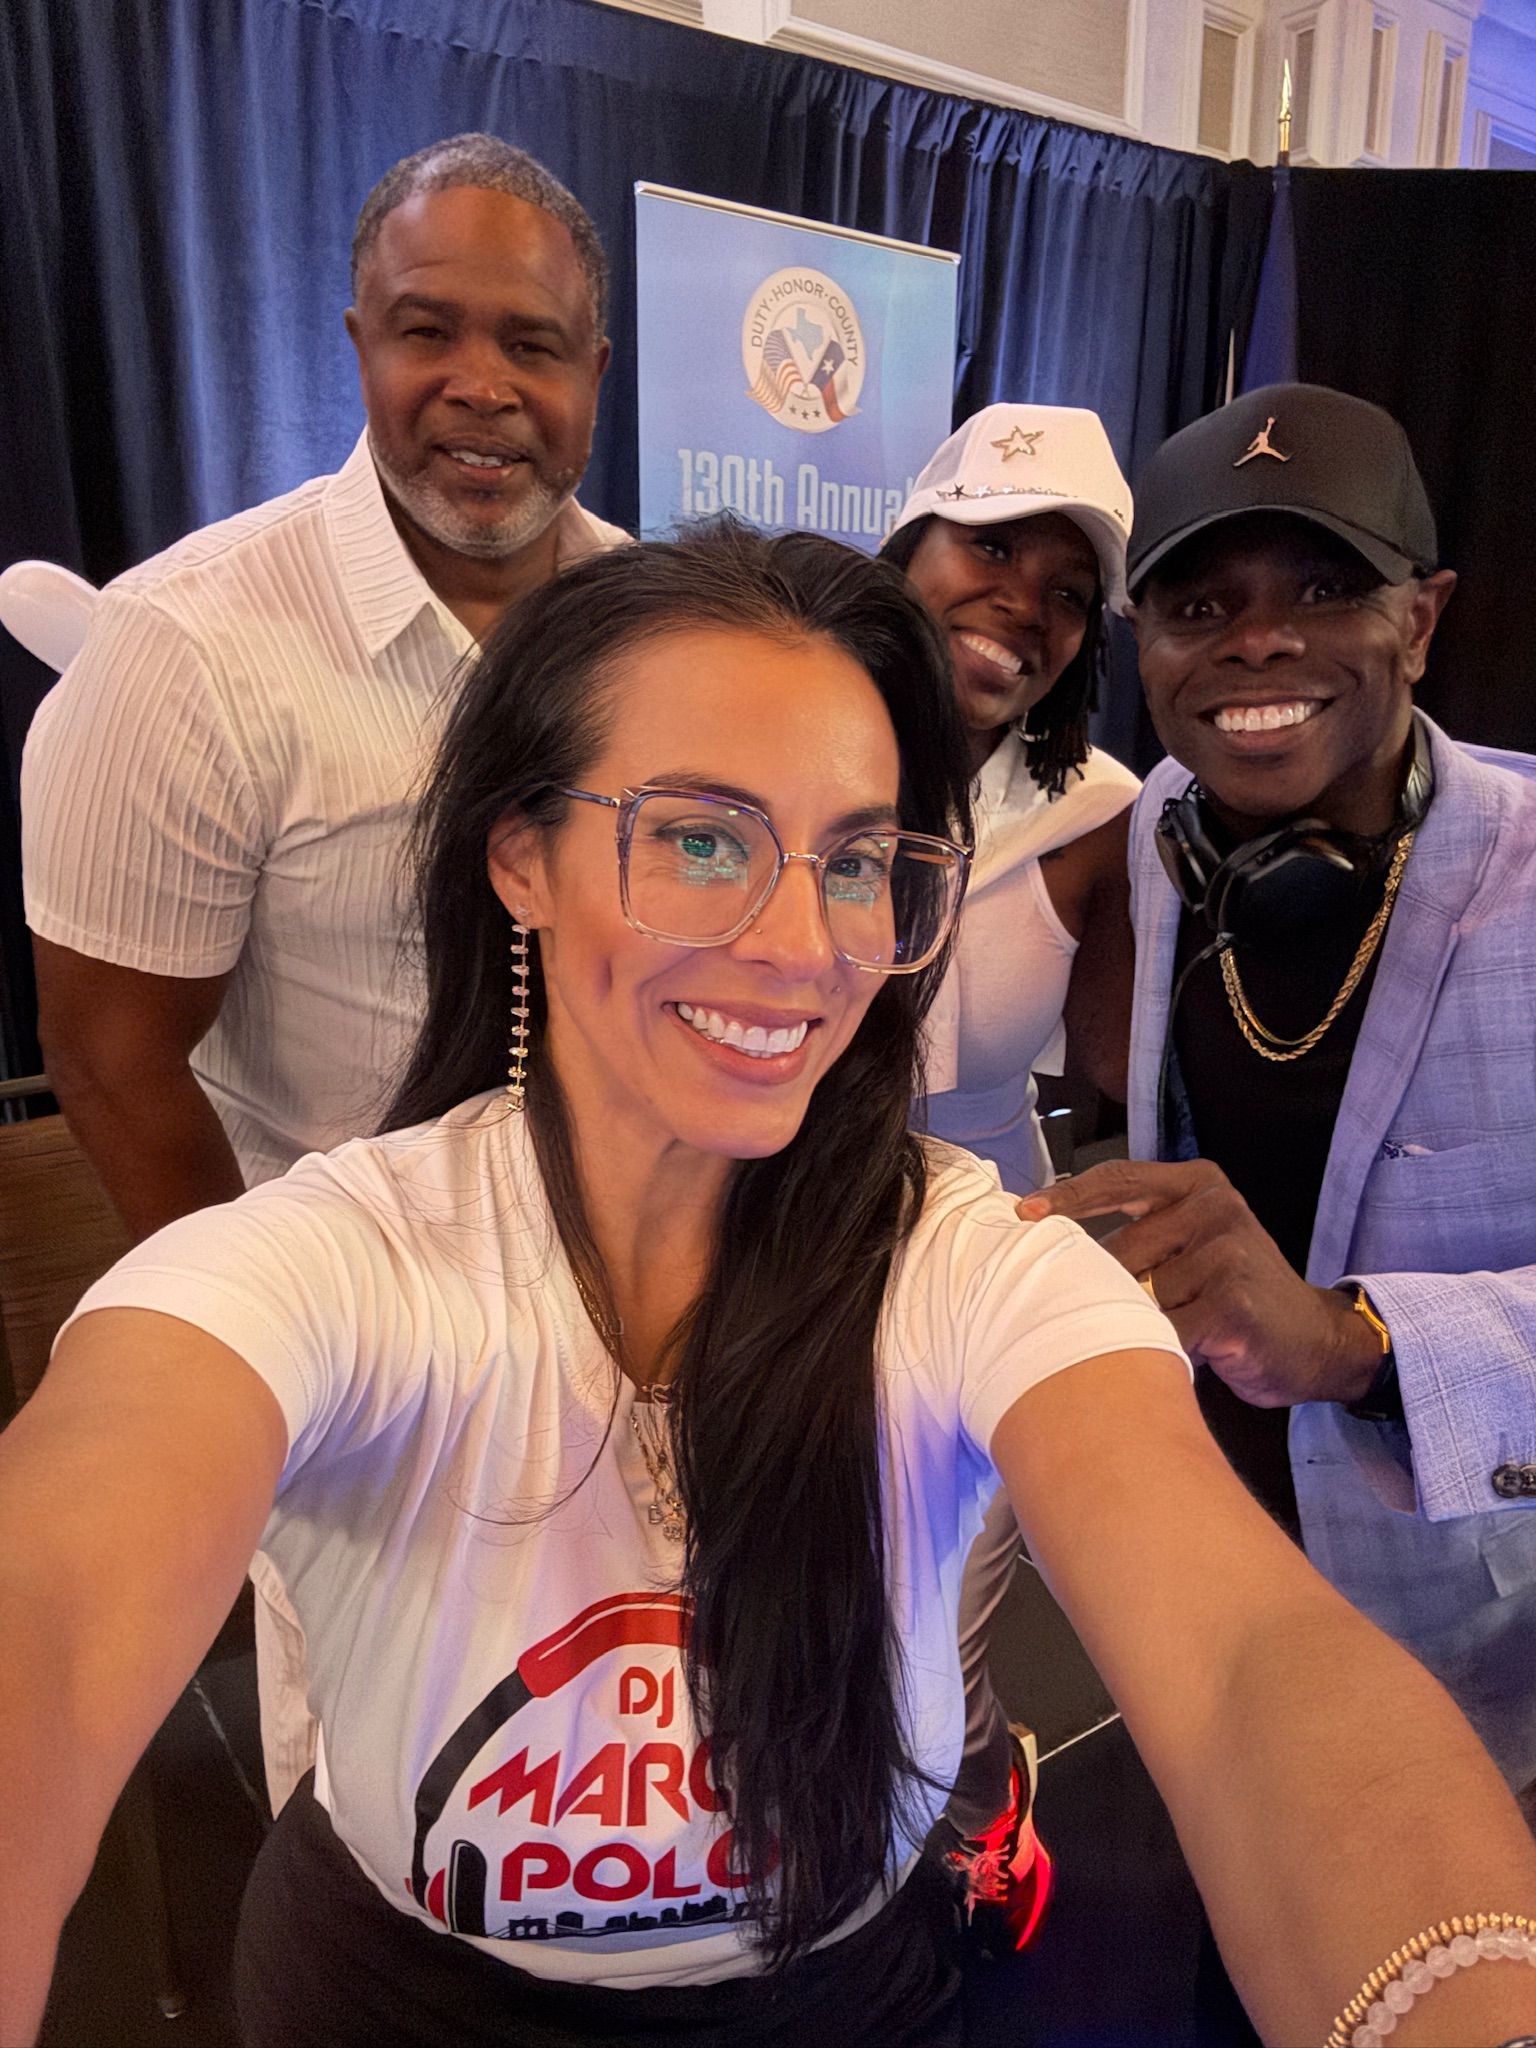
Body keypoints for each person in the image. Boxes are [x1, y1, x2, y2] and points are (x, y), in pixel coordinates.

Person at [5, 524, 1536, 2048]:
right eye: (702, 838)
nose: (807, 947)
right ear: (520, 859)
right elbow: (56, 1605)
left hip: (853, 2002)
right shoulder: (340, 1258)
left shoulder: (965, 1261)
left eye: (864, 860)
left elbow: (1246, 1654)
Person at [19, 132, 626, 1813]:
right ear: (356, 342)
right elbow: (115, 1062)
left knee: (620, 1800)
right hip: (377, 1379)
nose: (480, 388)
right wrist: (303, 1366)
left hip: (644, 1336)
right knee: (387, 1812)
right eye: (429, 332)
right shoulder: (189, 652)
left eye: (532, 344)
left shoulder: (654, 619)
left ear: (595, 369)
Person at [1020, 383, 1536, 2027]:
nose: (1258, 645)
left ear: (1425, 618)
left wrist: (1350, 1337)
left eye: (1320, 589)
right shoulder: (1173, 832)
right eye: (1200, 605)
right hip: (1210, 1581)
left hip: (1478, 1635)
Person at [882, 404, 1138, 1943]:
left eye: (1062, 591)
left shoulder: (1102, 812)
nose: (1020, 609)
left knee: (933, 1627)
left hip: (978, 1240)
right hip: (758, 1222)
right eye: (988, 549)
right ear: (913, 546)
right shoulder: (783, 738)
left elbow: (1128, 1072)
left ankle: (977, 1835)